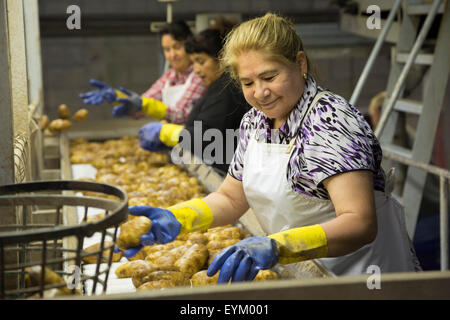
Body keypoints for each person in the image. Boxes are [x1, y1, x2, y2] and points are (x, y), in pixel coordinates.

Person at [119, 13, 421, 282]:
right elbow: (230, 198)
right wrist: (178, 218)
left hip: (361, 279)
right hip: (305, 273)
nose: (260, 92)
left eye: (269, 77)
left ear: (299, 63)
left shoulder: (330, 122)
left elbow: (360, 223)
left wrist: (278, 246)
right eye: (247, 82)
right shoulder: (256, 122)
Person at [138, 20, 250, 175]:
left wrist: (167, 133)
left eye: (201, 62)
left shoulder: (227, 90)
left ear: (222, 58)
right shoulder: (216, 87)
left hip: (225, 172)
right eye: (194, 62)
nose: (196, 70)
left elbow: (205, 136)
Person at [79, 21, 207, 124]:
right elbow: (144, 102)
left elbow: (181, 115)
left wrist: (143, 105)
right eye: (167, 49)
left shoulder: (199, 76)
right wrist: (119, 98)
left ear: (189, 45)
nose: (172, 55)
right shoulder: (169, 76)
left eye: (177, 47)